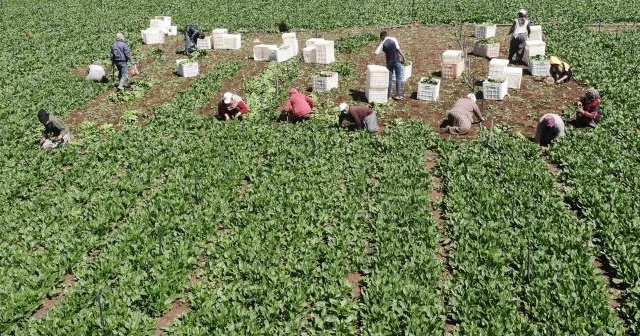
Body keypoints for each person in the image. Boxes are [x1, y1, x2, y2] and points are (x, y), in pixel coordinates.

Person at [374, 31, 406, 100]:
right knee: (398, 78)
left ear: (382, 37)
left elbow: (376, 53)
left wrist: (369, 60)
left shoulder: (382, 43)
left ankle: (388, 95)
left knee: (389, 80)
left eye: (381, 38)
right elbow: (398, 49)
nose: (381, 40)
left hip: (389, 63)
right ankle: (398, 95)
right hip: (397, 61)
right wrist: (404, 57)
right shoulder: (394, 39)